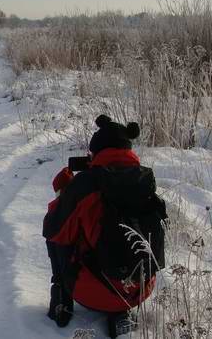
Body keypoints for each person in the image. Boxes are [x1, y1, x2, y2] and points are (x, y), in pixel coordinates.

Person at [43, 115, 163, 338]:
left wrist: (63, 195)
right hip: (141, 289)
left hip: (92, 292)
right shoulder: (145, 179)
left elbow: (53, 230)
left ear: (96, 152)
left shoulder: (85, 185)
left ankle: (61, 297)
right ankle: (121, 313)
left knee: (61, 232)